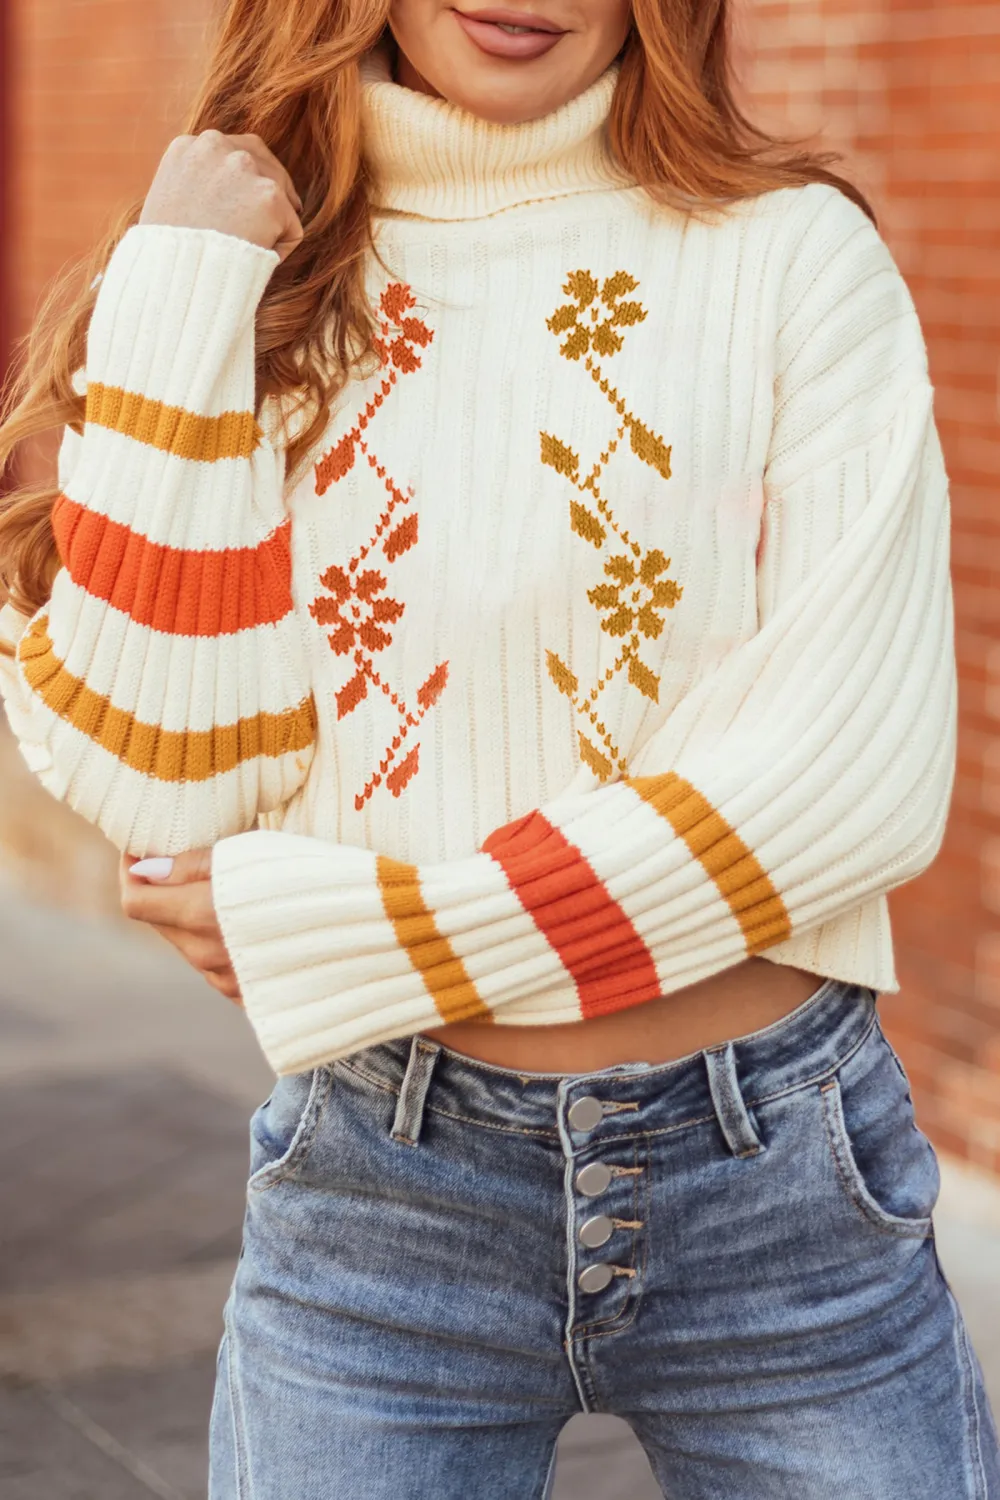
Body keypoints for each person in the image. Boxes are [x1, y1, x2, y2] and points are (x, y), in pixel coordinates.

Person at [0, 0, 996, 1493]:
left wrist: (345, 930)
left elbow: (850, 787)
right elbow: (167, 781)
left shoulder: (795, 258)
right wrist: (180, 287)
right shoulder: (256, 282)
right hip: (381, 1203)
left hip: (779, 1187)